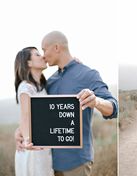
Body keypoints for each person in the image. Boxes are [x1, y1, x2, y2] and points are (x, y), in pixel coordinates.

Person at [15, 31, 118, 176]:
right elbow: (36, 114)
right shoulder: (50, 82)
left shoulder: (88, 74)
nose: (43, 55)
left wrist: (96, 101)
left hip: (76, 163)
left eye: (44, 50)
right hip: (50, 163)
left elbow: (113, 107)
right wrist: (19, 131)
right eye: (40, 53)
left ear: (56, 47)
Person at [14, 47, 54, 175]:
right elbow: (25, 115)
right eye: (37, 55)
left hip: (44, 146)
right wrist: (26, 139)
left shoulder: (42, 87)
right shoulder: (26, 87)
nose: (43, 57)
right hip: (32, 147)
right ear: (28, 63)